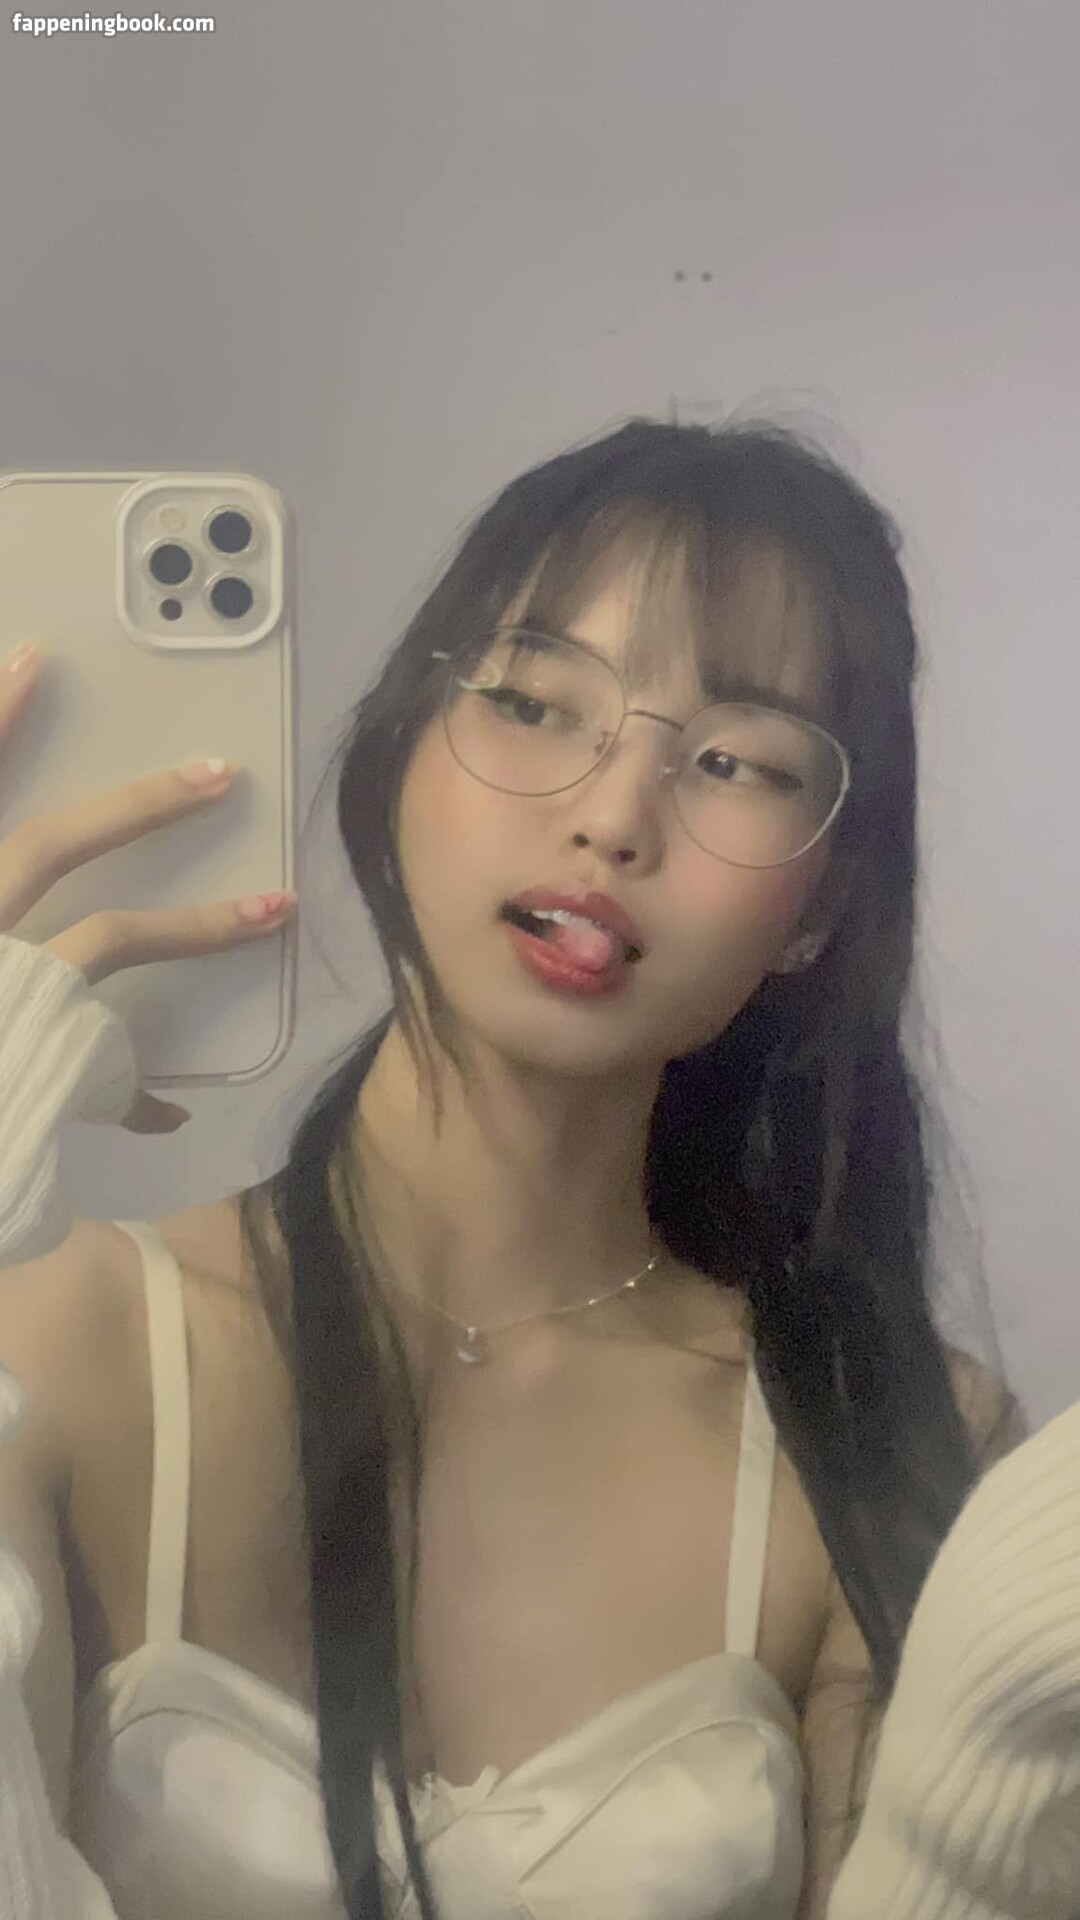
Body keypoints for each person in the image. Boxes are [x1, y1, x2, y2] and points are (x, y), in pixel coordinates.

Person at [0, 419, 1029, 1920]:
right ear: (396, 757)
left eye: (736, 762)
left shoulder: (889, 1440)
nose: (612, 818)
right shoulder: (52, 1343)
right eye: (536, 702)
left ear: (819, 908)